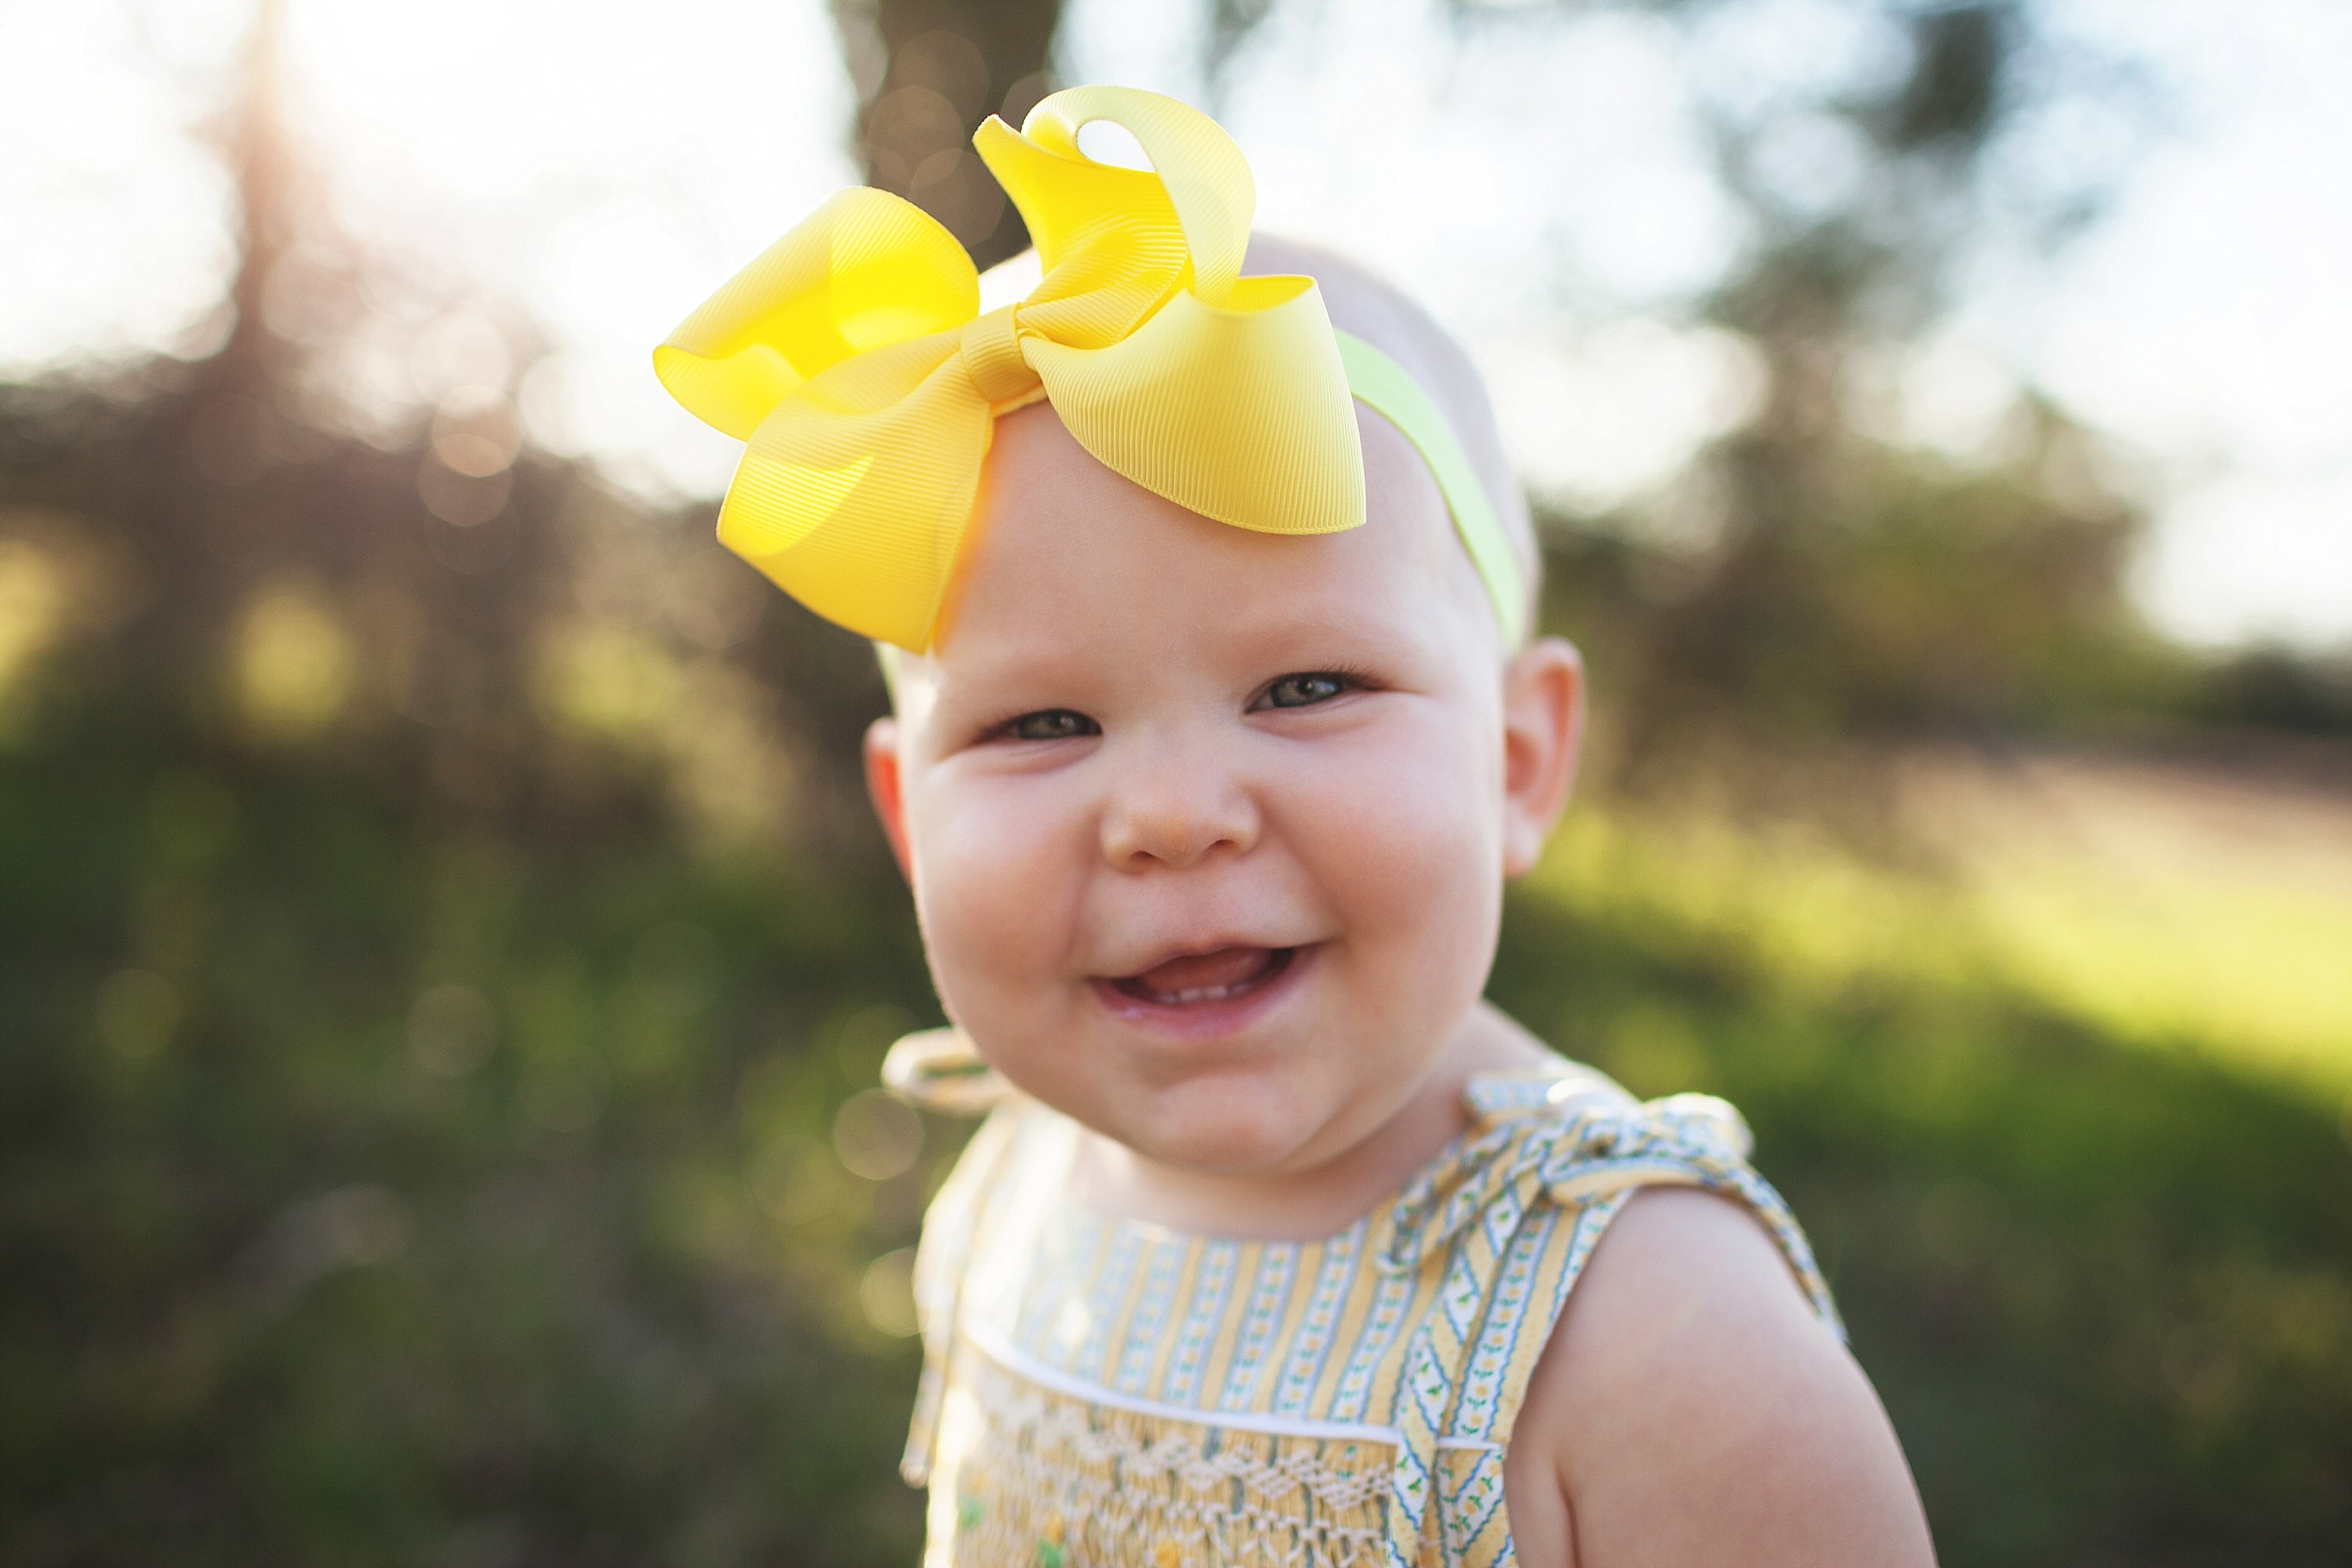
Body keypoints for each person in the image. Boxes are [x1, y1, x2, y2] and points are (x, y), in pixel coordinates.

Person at [656, 84, 1935, 1568]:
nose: (1172, 816)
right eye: (1037, 725)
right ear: (907, 818)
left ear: (1515, 760)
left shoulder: (1653, 1331)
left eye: (1306, 685)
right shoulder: (1017, 1180)